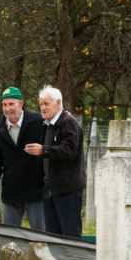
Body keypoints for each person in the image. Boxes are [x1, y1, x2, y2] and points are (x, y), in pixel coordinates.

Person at [24, 85, 85, 238]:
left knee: (70, 235)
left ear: (58, 103)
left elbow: (70, 151)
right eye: (41, 104)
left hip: (68, 189)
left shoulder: (69, 123)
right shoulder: (47, 125)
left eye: (46, 103)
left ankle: (72, 256)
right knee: (52, 236)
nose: (43, 107)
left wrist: (44, 150)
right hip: (50, 188)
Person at [0, 86, 46, 230]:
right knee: (10, 236)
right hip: (11, 191)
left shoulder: (38, 122)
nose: (7, 109)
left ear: (21, 104)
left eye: (11, 104)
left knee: (42, 235)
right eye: (4, 105)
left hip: (36, 190)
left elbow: (49, 149)